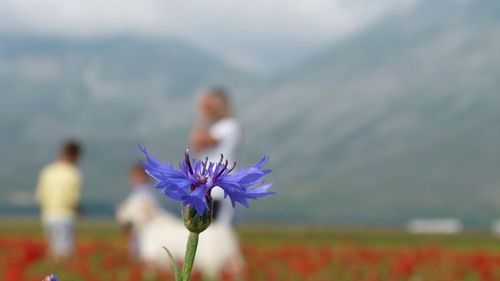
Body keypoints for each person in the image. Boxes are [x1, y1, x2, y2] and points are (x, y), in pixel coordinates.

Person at [189, 87, 242, 225]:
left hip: (218, 187)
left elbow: (199, 141)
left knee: (214, 228)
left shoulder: (229, 125)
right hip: (210, 185)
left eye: (211, 105)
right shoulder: (219, 126)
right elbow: (197, 146)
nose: (209, 109)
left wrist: (202, 115)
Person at [35, 139, 82, 259]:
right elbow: (74, 200)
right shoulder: (73, 173)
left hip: (48, 215)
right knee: (64, 252)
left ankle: (52, 274)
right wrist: (80, 210)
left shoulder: (47, 171)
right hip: (65, 216)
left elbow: (39, 197)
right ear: (74, 155)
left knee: (52, 249)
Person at [118, 163, 158, 259]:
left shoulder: (144, 192)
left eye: (134, 175)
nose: (131, 178)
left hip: (143, 231)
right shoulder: (140, 191)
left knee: (141, 253)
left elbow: (147, 212)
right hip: (137, 231)